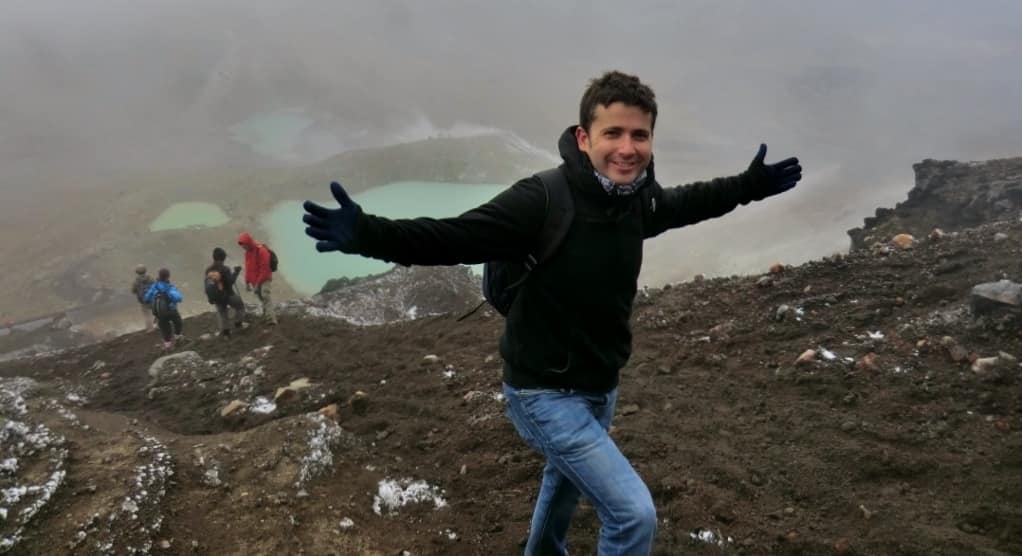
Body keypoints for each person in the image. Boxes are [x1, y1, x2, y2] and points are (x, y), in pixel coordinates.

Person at [301, 70, 802, 555]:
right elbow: (452, 236)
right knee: (633, 514)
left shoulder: (637, 202)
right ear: (584, 138)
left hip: (599, 383)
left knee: (563, 481)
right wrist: (366, 234)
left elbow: (690, 202)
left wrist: (747, 186)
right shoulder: (541, 200)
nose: (627, 148)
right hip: (542, 390)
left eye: (640, 135)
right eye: (613, 133)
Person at [204, 247, 246, 337]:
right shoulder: (224, 269)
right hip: (228, 295)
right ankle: (238, 324)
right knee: (240, 306)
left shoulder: (208, 270)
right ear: (223, 258)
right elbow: (230, 282)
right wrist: (236, 272)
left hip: (216, 297)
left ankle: (226, 333)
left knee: (222, 313)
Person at [237, 232, 276, 325]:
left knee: (265, 295)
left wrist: (258, 284)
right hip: (255, 281)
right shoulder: (247, 253)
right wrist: (247, 282)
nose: (243, 247)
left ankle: (271, 320)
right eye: (242, 245)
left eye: (244, 245)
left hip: (265, 278)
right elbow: (248, 268)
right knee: (262, 298)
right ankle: (266, 315)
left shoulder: (261, 251)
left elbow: (265, 269)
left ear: (248, 242)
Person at [144, 267, 185, 350]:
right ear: (168, 276)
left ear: (159, 276)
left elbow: (146, 298)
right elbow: (179, 298)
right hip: (171, 311)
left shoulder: (154, 286)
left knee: (164, 328)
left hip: (159, 312)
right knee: (178, 323)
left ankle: (168, 345)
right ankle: (177, 337)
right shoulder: (169, 287)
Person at [130, 264, 155, 331]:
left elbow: (133, 291)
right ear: (145, 270)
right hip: (152, 299)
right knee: (156, 312)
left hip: (143, 301)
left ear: (137, 272)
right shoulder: (150, 278)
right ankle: (159, 325)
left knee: (147, 315)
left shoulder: (136, 281)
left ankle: (150, 328)